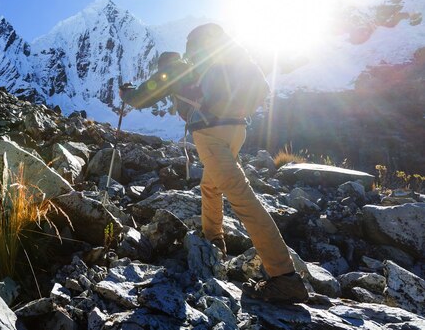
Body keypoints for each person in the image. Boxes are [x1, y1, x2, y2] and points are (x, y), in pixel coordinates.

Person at [120, 23, 309, 303]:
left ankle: (284, 277)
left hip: (210, 133)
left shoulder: (176, 68)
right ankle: (213, 239)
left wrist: (127, 93)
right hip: (237, 130)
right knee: (210, 186)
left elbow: (143, 96)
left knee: (242, 197)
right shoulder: (218, 61)